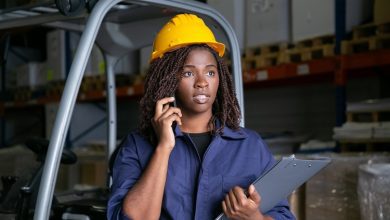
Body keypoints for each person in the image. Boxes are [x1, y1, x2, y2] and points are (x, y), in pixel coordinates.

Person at [107, 13, 295, 220]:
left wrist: (254, 218)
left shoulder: (250, 145)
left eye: (210, 72)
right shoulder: (137, 146)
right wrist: (163, 148)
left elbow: (283, 216)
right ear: (167, 80)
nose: (202, 82)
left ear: (220, 79)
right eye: (188, 73)